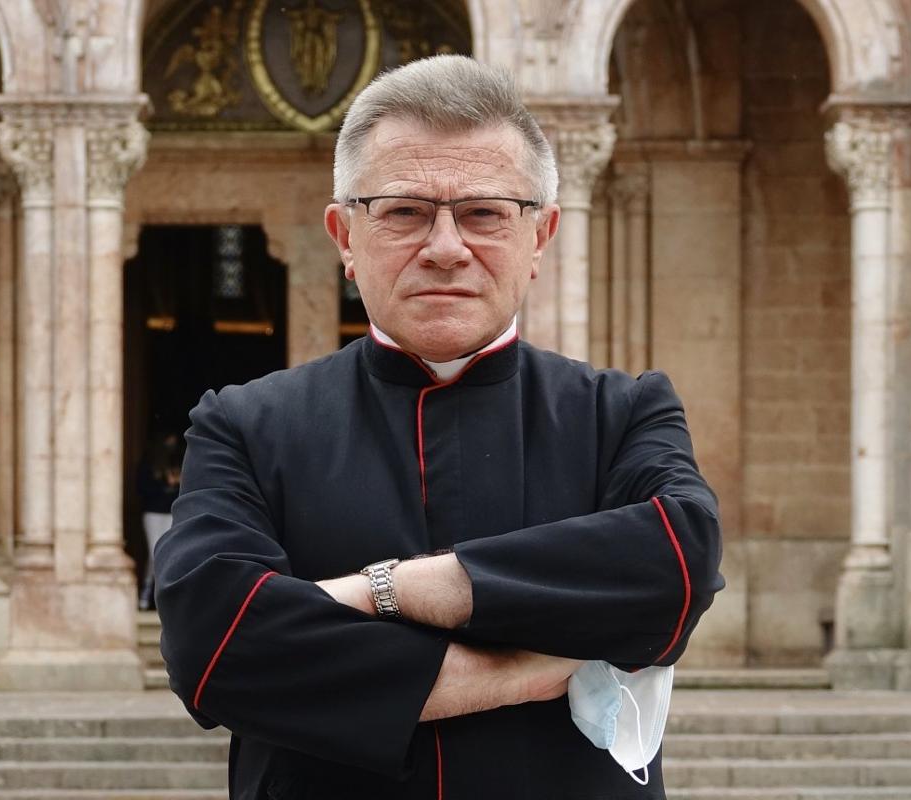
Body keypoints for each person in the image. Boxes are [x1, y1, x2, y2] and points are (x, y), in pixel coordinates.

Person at [155, 55, 724, 800]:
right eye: (404, 211)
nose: (447, 246)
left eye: (486, 212)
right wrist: (531, 670)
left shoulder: (621, 413)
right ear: (345, 237)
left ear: (542, 236)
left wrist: (379, 591)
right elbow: (215, 646)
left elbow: (675, 570)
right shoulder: (245, 425)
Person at [137, 431, 182, 610]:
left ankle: (165, 597)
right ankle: (147, 593)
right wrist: (166, 487)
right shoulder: (148, 465)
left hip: (171, 512)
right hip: (153, 513)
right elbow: (144, 489)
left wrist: (174, 485)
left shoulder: (177, 462)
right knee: (154, 554)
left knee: (170, 555)